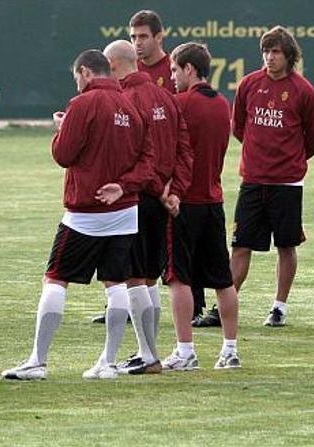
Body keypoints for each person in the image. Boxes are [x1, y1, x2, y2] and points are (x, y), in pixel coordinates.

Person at [2, 49, 152, 381]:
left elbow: (64, 154)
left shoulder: (81, 104)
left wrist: (61, 128)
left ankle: (37, 361)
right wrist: (124, 186)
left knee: (56, 278)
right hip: (125, 210)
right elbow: (148, 161)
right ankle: (108, 362)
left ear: (85, 72)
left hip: (84, 210)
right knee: (115, 283)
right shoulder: (132, 106)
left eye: (77, 78)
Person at [103, 40, 192, 375]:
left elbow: (141, 155)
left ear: (112, 65)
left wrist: (157, 189)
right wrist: (174, 191)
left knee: (134, 277)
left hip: (138, 196)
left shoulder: (125, 99)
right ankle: (149, 351)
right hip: (161, 200)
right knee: (150, 277)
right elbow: (185, 148)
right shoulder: (167, 97)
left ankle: (148, 354)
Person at [230, 26, 314, 327]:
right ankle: (227, 304)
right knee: (241, 244)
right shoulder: (248, 85)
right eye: (266, 52)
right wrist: (259, 154)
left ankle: (279, 307)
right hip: (253, 179)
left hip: (287, 182)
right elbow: (239, 127)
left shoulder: (303, 90)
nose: (269, 58)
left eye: (276, 52)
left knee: (286, 245)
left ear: (289, 56)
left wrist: (291, 159)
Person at [161, 41, 241, 371]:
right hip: (214, 200)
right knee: (223, 280)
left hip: (184, 203)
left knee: (178, 279)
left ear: (189, 69)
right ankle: (230, 349)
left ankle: (185, 351)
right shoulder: (223, 104)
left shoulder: (181, 104)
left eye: (175, 70)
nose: (172, 77)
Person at [129, 10, 174, 93]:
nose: (137, 43)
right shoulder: (129, 70)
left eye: (143, 36)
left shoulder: (173, 69)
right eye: (133, 37)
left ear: (159, 37)